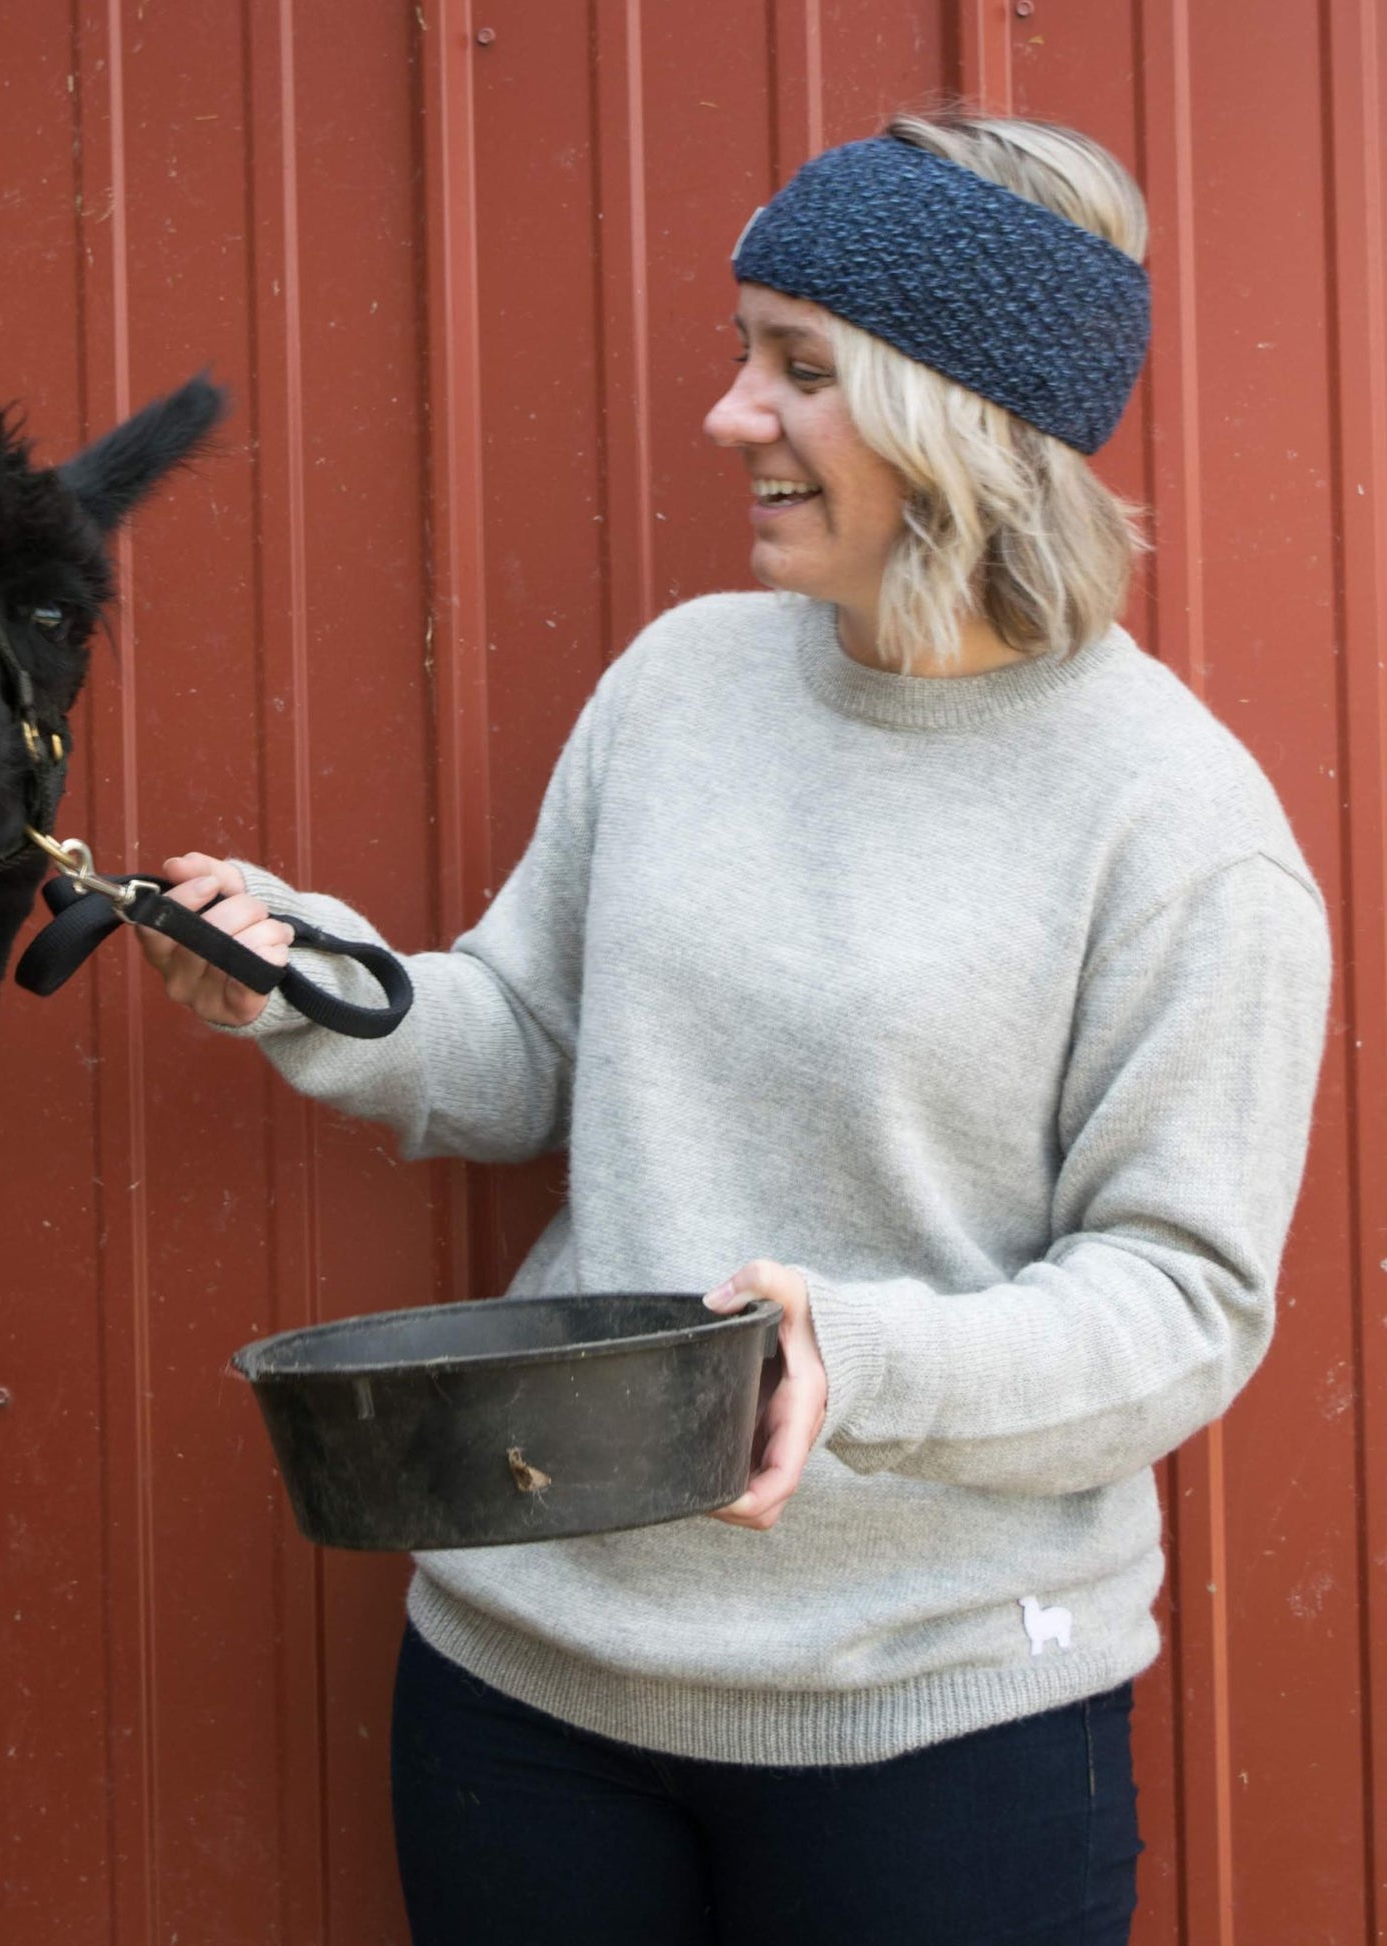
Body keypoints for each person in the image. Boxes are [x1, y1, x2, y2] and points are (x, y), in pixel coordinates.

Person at [139, 110, 1331, 1946]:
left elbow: (1181, 1302)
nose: (729, 418)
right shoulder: (679, 683)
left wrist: (851, 1355)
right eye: (740, 356)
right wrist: (312, 979)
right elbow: (529, 1039)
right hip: (532, 1683)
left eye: (798, 369)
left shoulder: (1175, 827)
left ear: (958, 418)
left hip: (938, 1724)